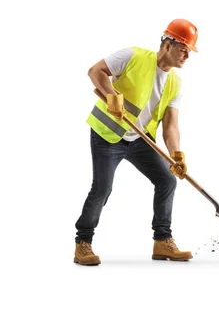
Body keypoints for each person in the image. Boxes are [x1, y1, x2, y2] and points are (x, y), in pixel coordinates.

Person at [73, 19, 199, 266]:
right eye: (183, 48)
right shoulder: (132, 56)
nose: (187, 55)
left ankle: (162, 241)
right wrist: (111, 95)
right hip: (108, 135)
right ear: (167, 44)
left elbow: (170, 125)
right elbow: (95, 71)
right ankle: (83, 243)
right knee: (102, 188)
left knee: (166, 180)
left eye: (189, 50)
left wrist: (177, 155)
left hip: (141, 139)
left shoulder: (175, 84)